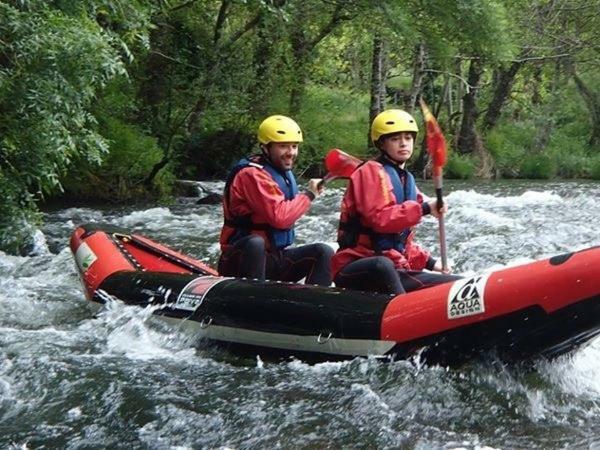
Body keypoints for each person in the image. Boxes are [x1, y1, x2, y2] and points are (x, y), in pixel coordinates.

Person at [331, 109, 461, 294]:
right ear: (382, 143)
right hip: (358, 266)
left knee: (454, 284)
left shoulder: (406, 179)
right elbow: (379, 219)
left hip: (393, 266)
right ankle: (403, 313)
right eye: (395, 139)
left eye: (408, 138)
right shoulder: (369, 172)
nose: (403, 143)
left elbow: (400, 240)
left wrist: (432, 264)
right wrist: (424, 208)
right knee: (382, 264)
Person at [218, 115, 334, 286]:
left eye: (294, 146)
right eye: (283, 146)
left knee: (323, 252)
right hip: (240, 261)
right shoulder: (251, 174)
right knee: (255, 243)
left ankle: (314, 305)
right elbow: (279, 217)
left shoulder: (281, 171)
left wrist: (309, 194)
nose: (291, 153)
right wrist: (309, 195)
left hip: (272, 258)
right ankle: (255, 300)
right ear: (265, 148)